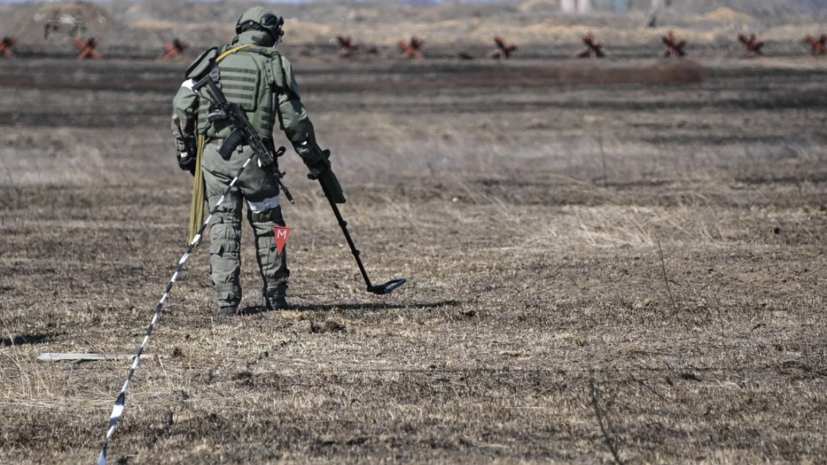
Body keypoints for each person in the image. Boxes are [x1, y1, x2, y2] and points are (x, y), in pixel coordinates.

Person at [170, 7, 335, 315]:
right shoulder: (274, 64)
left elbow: (181, 109)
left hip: (215, 160)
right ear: (271, 33)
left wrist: (186, 153)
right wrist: (313, 160)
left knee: (222, 225)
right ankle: (276, 296)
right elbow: (296, 124)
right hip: (256, 162)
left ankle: (227, 302)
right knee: (272, 226)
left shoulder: (212, 60)